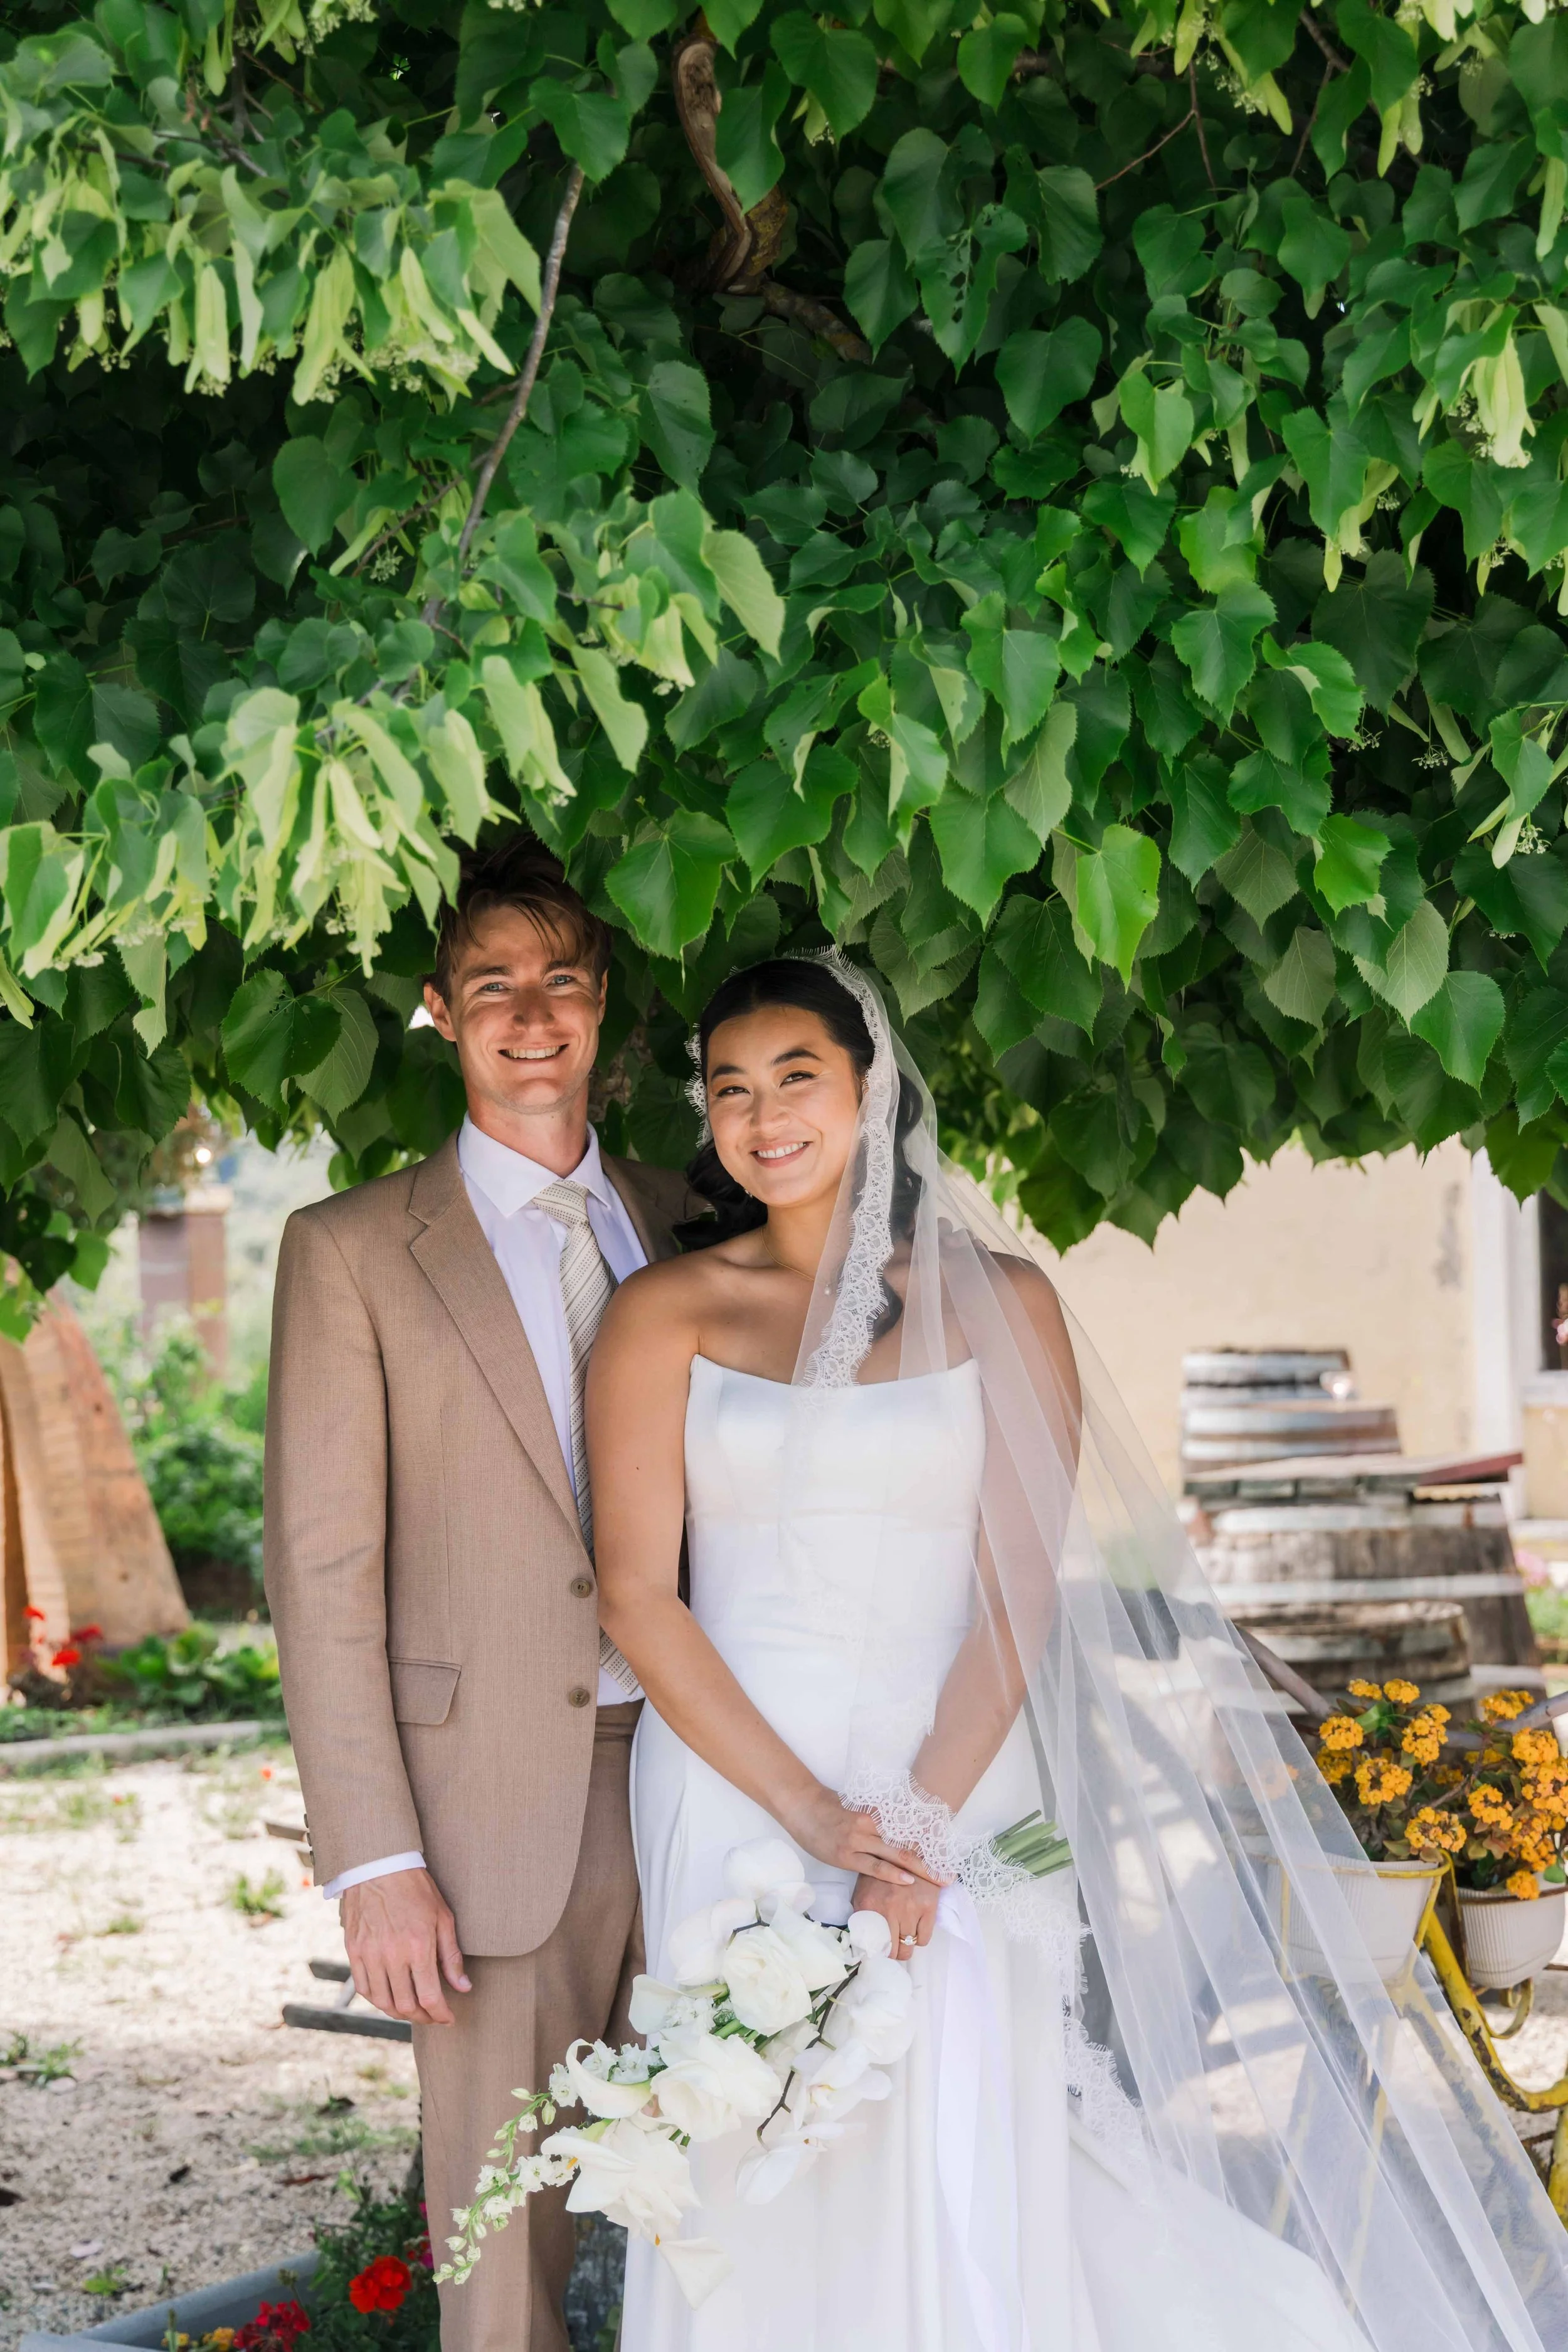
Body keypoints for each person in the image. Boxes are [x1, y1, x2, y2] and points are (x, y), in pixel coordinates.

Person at [586, 951, 1568, 2352]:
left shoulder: (1003, 1301)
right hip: (733, 1783)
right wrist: (815, 1817)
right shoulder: (662, 1314)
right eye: (729, 1089)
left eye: (795, 1076)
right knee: (749, 2134)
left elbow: (1013, 1596)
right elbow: (636, 1595)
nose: (762, 1115)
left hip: (957, 1777)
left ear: (870, 1090)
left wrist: (908, 1830)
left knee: (965, 2121)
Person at [264, 837, 698, 2352]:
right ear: (442, 1013)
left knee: (757, 2181)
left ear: (601, 1007)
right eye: (492, 984)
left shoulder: (690, 1212)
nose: (531, 1012)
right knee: (505, 2246)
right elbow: (321, 1573)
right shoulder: (351, 1253)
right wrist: (371, 1857)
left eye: (560, 979)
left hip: (717, 1782)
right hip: (495, 1808)